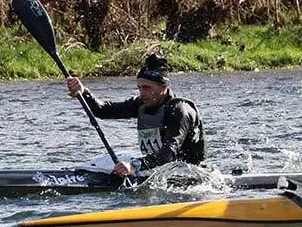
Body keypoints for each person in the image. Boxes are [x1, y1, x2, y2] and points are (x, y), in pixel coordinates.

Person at [65, 54, 205, 175]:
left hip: (186, 174)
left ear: (163, 87)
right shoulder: (142, 104)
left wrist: (134, 166)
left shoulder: (180, 110)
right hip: (157, 169)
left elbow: (169, 152)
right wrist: (84, 92)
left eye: (147, 88)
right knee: (105, 160)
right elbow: (103, 111)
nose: (142, 93)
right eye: (139, 87)